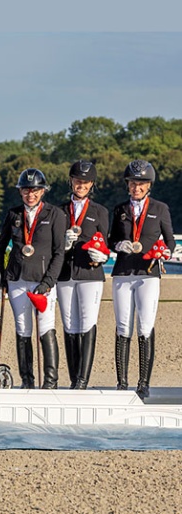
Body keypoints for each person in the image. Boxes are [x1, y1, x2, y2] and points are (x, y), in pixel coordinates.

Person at [0, 168, 67, 389]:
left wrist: (48, 282)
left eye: (35, 190)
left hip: (42, 282)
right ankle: (27, 380)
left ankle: (50, 382)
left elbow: (59, 252)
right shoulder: (13, 214)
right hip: (17, 280)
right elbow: (0, 248)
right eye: (26, 190)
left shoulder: (55, 214)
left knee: (45, 327)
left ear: (43, 191)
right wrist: (2, 278)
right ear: (20, 192)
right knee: (22, 328)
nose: (30, 194)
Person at [108, 159, 175, 399]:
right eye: (133, 183)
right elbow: (109, 241)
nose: (137, 187)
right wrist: (118, 244)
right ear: (128, 185)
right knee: (123, 326)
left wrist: (164, 252)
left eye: (142, 183)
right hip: (123, 273)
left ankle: (143, 382)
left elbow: (170, 241)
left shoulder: (160, 208)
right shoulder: (120, 209)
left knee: (145, 326)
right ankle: (122, 382)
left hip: (148, 274)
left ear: (149, 185)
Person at [57, 161, 109, 389]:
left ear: (91, 185)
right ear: (71, 181)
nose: (81, 185)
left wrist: (103, 256)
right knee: (70, 324)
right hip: (65, 273)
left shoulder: (100, 211)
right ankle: (72, 378)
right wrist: (64, 244)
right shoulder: (58, 210)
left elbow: (104, 243)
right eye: (77, 180)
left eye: (85, 182)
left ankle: (83, 380)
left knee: (87, 322)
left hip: (90, 273)